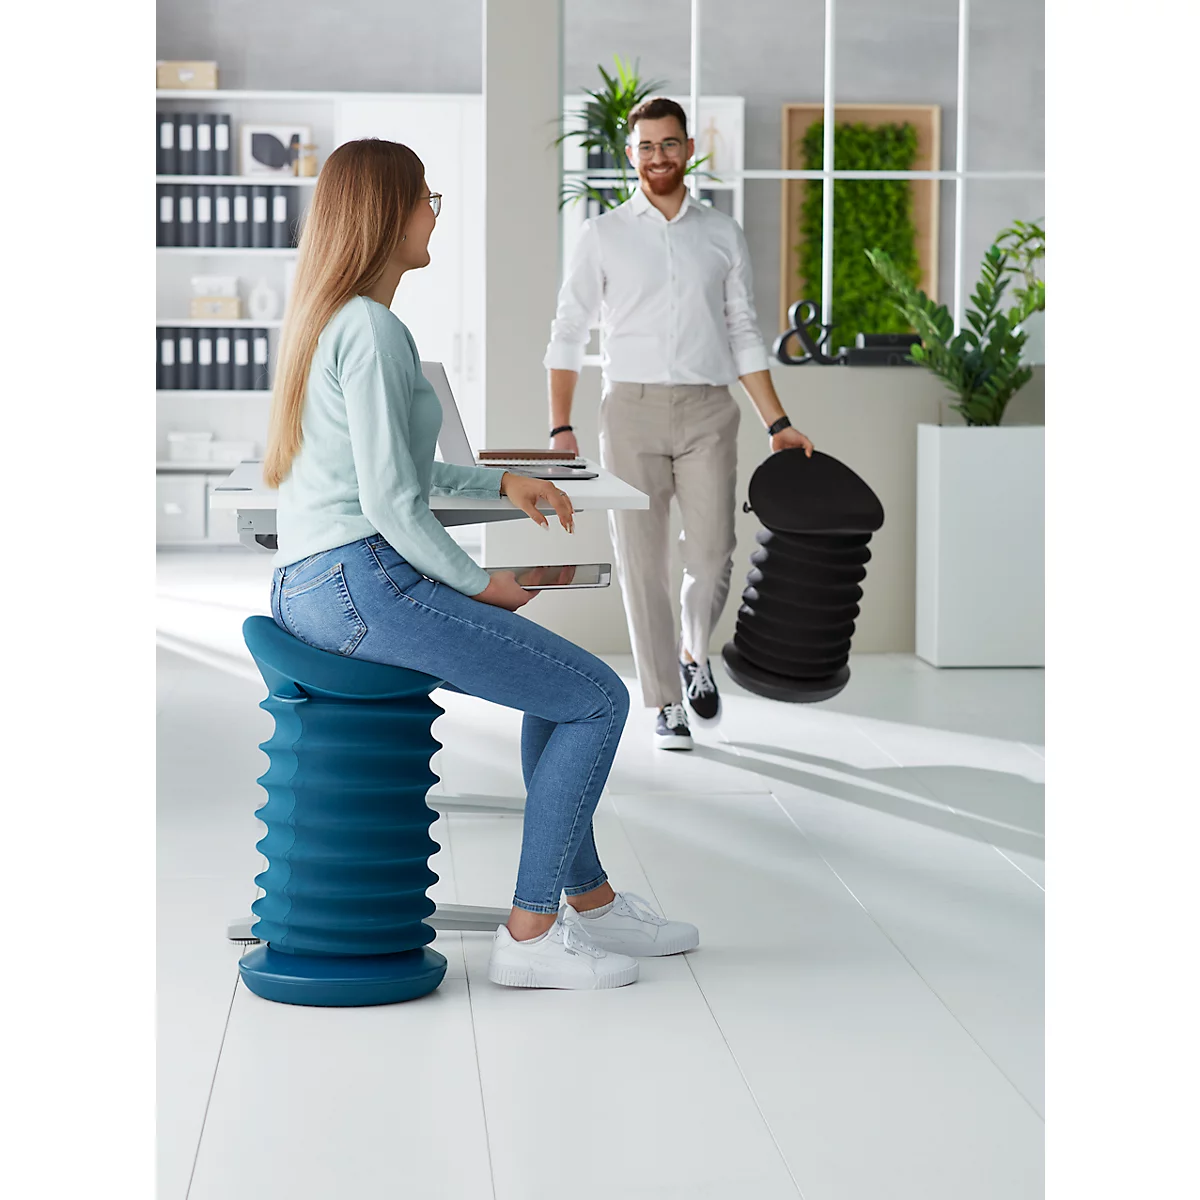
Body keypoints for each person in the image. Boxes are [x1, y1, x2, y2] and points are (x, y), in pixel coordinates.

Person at [263, 138, 698, 991]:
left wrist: (501, 479)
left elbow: (398, 473)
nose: (436, 210)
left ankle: (595, 902)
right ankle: (531, 936)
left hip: (313, 585)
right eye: (426, 196)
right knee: (600, 698)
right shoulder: (376, 330)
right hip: (361, 585)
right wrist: (478, 585)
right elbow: (391, 505)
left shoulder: (334, 320)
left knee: (559, 691)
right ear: (386, 213)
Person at [544, 97, 814, 751]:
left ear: (689, 149)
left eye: (669, 144)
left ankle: (696, 652)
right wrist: (561, 427)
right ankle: (665, 703)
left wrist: (777, 421)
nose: (657, 157)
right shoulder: (604, 234)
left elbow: (745, 330)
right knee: (643, 566)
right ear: (629, 154)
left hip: (708, 411)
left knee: (713, 552)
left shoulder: (721, 233)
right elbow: (568, 331)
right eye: (645, 146)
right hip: (629, 412)